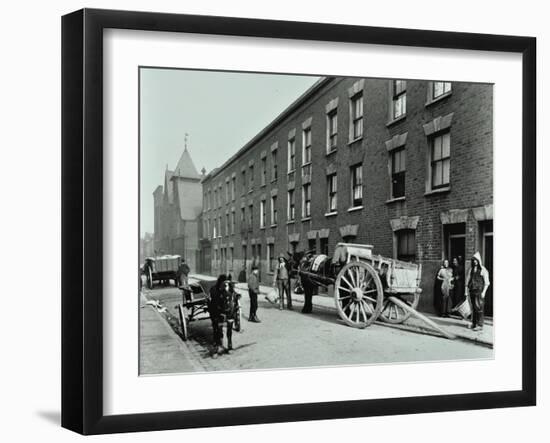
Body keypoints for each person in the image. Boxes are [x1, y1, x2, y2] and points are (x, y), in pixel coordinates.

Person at [208, 274, 238, 355]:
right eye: (224, 285)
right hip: (217, 310)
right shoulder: (215, 290)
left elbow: (231, 295)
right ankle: (217, 346)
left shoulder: (230, 290)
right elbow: (215, 300)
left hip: (229, 311)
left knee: (229, 329)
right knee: (217, 328)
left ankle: (230, 345)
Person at [465, 252, 490, 331]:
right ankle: (474, 323)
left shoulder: (483, 269)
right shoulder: (471, 269)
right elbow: (467, 280)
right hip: (472, 290)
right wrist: (466, 291)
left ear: (479, 261)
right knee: (474, 308)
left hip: (479, 291)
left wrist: (483, 293)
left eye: (476, 260)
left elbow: (487, 283)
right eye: (473, 260)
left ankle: (480, 325)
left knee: (479, 308)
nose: (475, 262)